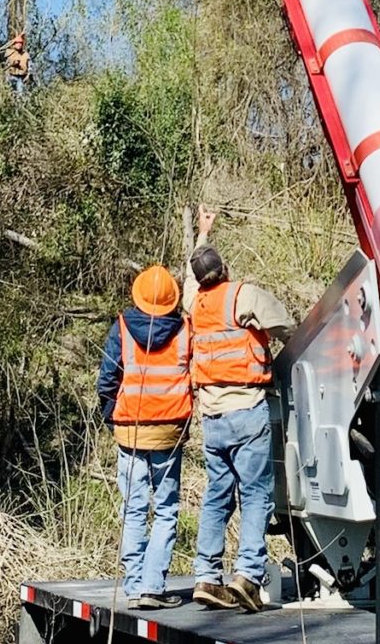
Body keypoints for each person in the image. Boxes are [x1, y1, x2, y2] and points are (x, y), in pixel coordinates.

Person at [185, 213, 294, 611]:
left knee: (216, 497)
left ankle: (206, 578)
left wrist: (202, 234)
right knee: (256, 495)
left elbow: (186, 281)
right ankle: (248, 576)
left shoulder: (193, 304)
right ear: (225, 270)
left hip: (212, 418)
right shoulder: (243, 296)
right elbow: (285, 324)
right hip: (246, 410)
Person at [97, 264, 189, 611]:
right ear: (172, 300)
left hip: (130, 432)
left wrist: (113, 419)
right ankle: (153, 586)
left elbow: (107, 381)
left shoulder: (121, 328)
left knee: (134, 511)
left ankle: (135, 587)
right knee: (166, 510)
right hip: (168, 434)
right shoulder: (185, 331)